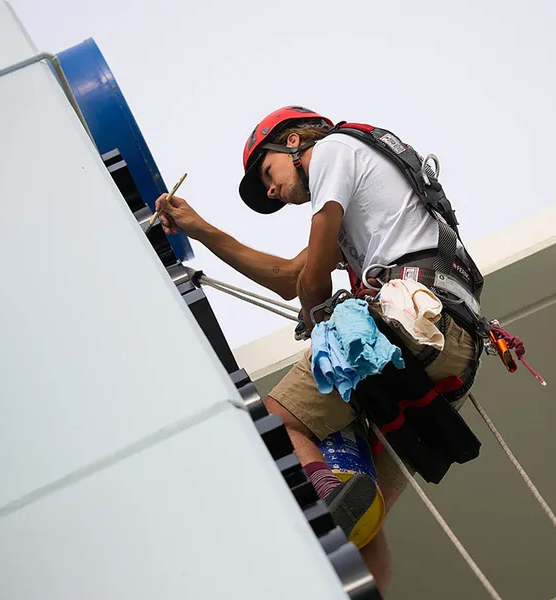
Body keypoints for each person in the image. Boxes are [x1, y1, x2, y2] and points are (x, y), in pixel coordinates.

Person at [155, 106, 484, 596]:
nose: (272, 191)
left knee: (276, 418)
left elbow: (310, 283)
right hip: (451, 344)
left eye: (267, 174)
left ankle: (324, 490)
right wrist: (201, 229)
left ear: (291, 142)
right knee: (363, 522)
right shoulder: (371, 200)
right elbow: (289, 279)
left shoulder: (331, 150)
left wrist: (320, 325)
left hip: (410, 318)